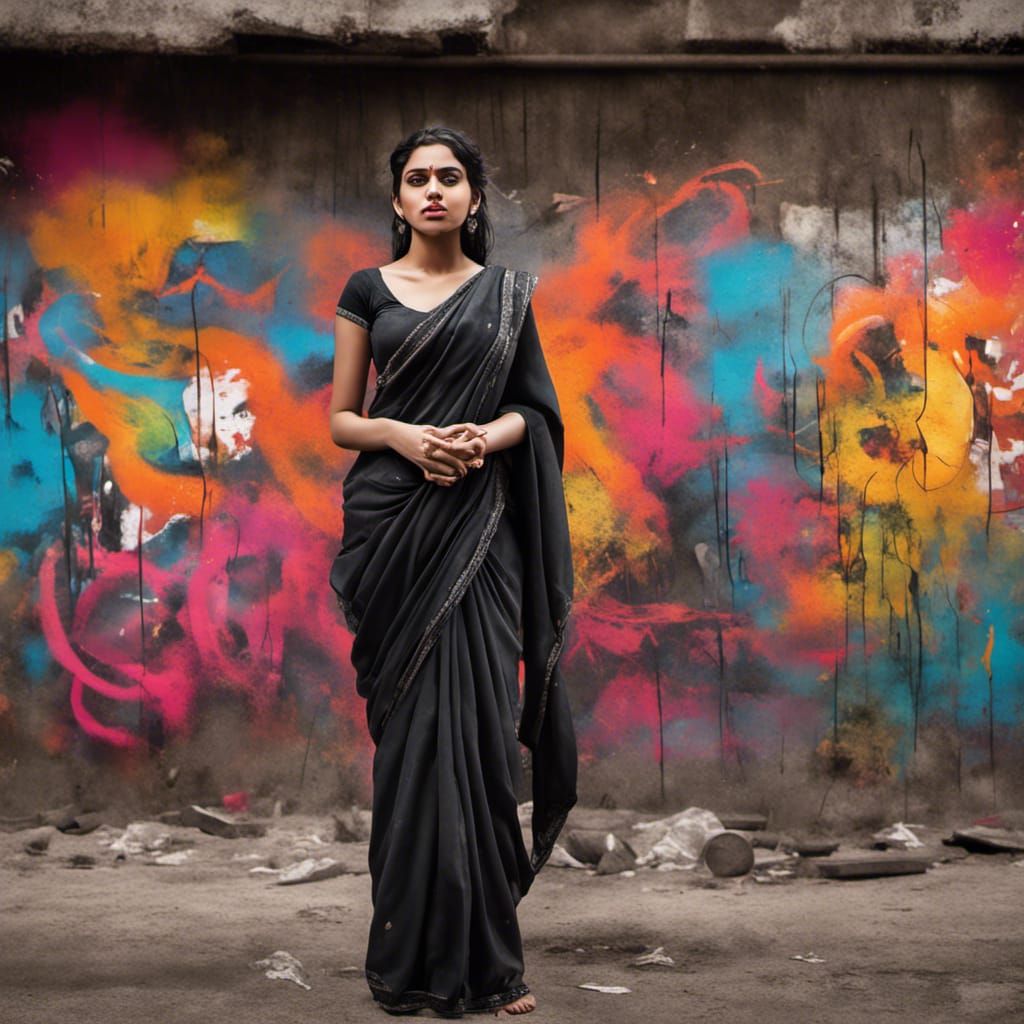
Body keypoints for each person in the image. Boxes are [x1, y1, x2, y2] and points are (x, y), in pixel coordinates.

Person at [327, 126, 577, 1018]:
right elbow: (343, 422)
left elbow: (533, 412)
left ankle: (490, 966)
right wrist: (405, 435)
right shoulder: (368, 291)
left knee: (474, 739)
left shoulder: (506, 296)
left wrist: (481, 437)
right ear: (397, 201)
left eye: (451, 178)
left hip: (480, 528)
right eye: (417, 179)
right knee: (410, 751)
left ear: (475, 198)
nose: (434, 190)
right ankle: (404, 962)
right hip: (395, 526)